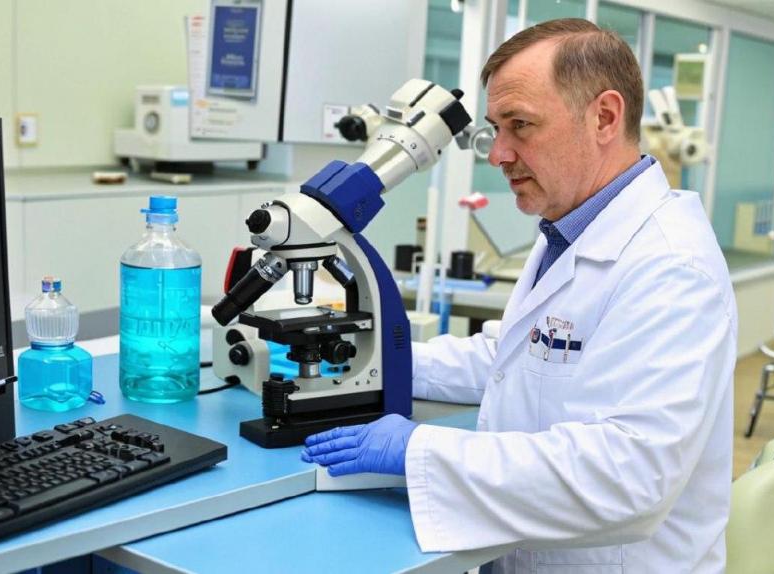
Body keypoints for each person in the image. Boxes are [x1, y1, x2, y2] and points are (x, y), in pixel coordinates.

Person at [301, 18, 736, 573]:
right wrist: (369, 363)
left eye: (521, 126)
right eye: (495, 129)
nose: (498, 154)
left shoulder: (672, 268)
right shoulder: (570, 227)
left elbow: (629, 476)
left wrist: (418, 449)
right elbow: (516, 354)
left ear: (605, 117)